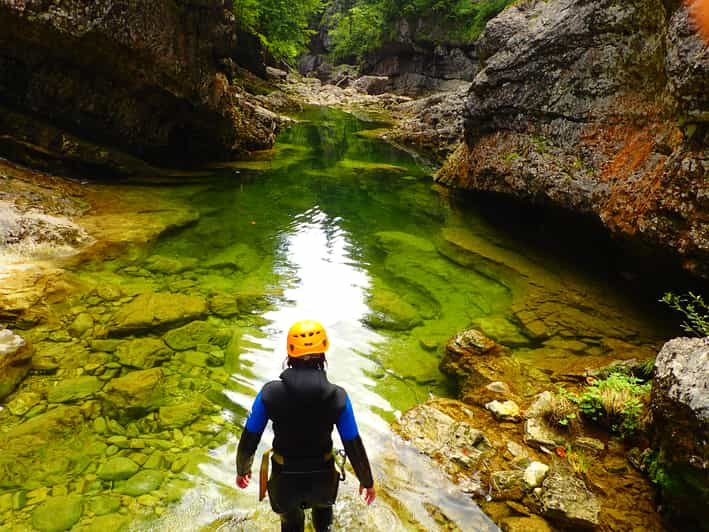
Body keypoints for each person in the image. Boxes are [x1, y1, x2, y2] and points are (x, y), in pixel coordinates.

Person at [235, 319, 376, 532]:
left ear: (289, 353)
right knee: (324, 523)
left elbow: (250, 438)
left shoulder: (269, 394)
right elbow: (353, 444)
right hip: (323, 482)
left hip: (285, 483)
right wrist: (367, 481)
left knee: (290, 524)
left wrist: (242, 470)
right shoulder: (338, 396)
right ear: (324, 353)